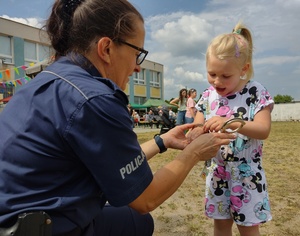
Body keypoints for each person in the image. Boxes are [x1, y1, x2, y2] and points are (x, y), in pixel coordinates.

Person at [0, 0, 235, 235]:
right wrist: (193, 153)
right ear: (106, 49)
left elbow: (110, 160)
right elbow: (145, 199)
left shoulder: (49, 79)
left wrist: (162, 142)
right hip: (38, 227)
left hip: (20, 219)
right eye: (137, 53)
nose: (137, 68)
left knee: (134, 221)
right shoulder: (95, 98)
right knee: (138, 218)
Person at [192, 22, 274, 236]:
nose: (217, 81)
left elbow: (263, 129)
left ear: (243, 68)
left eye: (225, 76)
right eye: (211, 74)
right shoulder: (208, 95)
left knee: (248, 229)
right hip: (217, 173)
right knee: (220, 226)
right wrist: (194, 133)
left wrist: (231, 122)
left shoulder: (255, 91)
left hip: (247, 176)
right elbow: (198, 126)